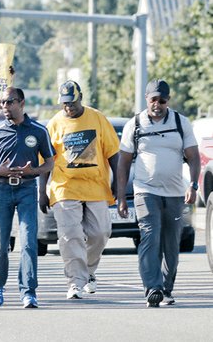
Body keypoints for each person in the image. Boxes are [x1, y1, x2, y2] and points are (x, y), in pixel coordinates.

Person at [117, 79, 200, 307]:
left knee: (172, 244)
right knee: (150, 236)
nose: (157, 104)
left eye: (162, 100)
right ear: (147, 99)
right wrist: (122, 196)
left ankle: (166, 289)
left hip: (174, 193)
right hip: (146, 190)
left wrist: (193, 185)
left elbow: (193, 157)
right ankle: (152, 288)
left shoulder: (180, 123)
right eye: (153, 99)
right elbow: (123, 163)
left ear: (168, 101)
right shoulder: (134, 125)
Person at [39, 80, 119, 300]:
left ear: (80, 97)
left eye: (72, 102)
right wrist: (42, 191)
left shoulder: (97, 118)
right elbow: (45, 159)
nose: (68, 107)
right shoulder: (54, 124)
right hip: (64, 187)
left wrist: (118, 185)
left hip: (96, 186)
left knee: (100, 233)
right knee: (70, 236)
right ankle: (75, 282)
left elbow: (114, 153)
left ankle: (88, 272)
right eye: (64, 103)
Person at [0, 87, 54, 308]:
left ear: (22, 104)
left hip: (26, 188)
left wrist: (34, 171)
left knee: (29, 242)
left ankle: (28, 291)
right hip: (2, 189)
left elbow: (50, 162)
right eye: (2, 102)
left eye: (10, 102)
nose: (5, 106)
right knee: (0, 244)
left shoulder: (39, 131)